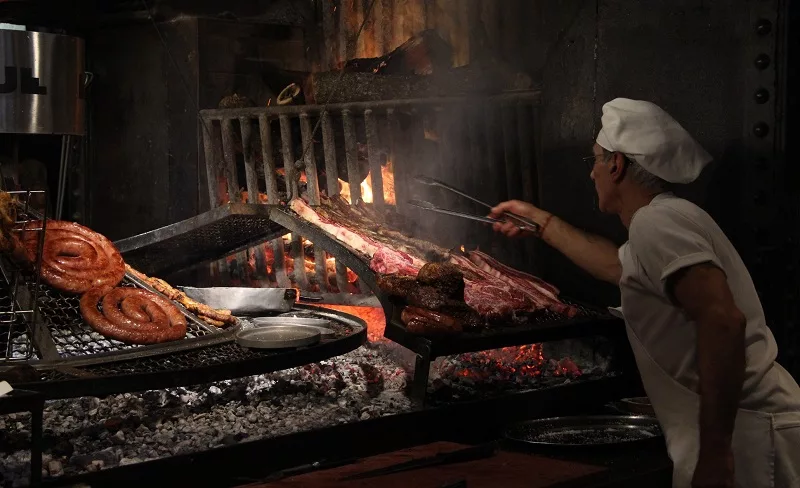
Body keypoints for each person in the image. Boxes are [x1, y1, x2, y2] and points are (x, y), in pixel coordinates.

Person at [490, 98, 800, 488]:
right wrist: (540, 223)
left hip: (749, 443)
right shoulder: (665, 221)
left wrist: (717, 452)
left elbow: (722, 321)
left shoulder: (657, 222)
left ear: (616, 165)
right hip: (745, 435)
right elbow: (618, 268)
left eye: (595, 162)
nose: (592, 175)